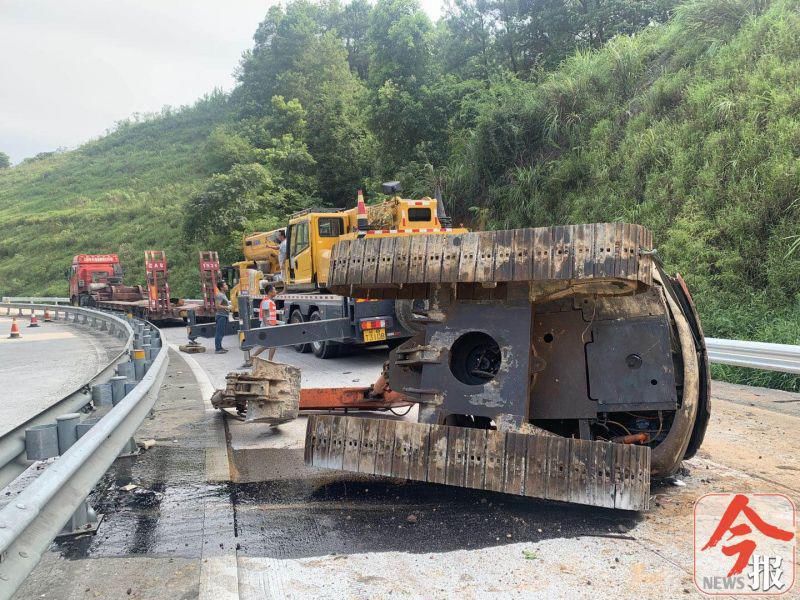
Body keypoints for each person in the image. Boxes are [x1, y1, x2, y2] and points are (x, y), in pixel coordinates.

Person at [251, 284, 279, 361]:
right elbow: (264, 314)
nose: (276, 291)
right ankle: (269, 360)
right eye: (274, 290)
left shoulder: (268, 300)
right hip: (268, 326)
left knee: (267, 345)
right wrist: (267, 325)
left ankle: (253, 357)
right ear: (270, 292)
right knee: (272, 344)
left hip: (269, 325)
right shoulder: (267, 302)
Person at [213, 280, 230, 354]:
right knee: (219, 333)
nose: (227, 286)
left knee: (222, 332)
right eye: (225, 285)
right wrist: (227, 307)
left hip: (224, 315)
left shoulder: (223, 294)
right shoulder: (219, 295)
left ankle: (220, 347)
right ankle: (218, 349)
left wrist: (227, 307)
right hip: (221, 316)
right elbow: (217, 306)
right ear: (221, 287)